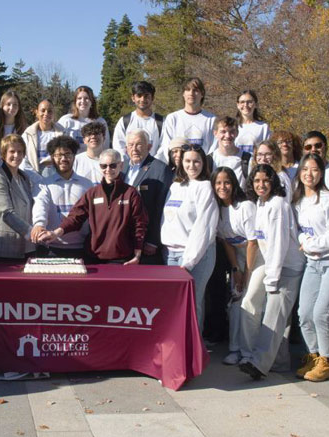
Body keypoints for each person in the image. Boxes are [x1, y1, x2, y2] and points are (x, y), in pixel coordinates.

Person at [238, 164, 305, 380]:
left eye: (265, 180)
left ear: (273, 182)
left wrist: (272, 278)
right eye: (256, 181)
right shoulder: (261, 203)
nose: (261, 185)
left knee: (273, 315)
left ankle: (258, 364)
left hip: (287, 267)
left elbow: (278, 244)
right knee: (279, 318)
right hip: (272, 264)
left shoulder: (277, 205)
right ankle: (280, 362)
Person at [293, 153, 329, 382]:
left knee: (322, 314)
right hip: (313, 262)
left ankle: (328, 360)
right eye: (305, 169)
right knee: (304, 313)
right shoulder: (298, 202)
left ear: (322, 173)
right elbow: (299, 230)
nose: (309, 174)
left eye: (315, 169)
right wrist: (304, 242)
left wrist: (311, 244)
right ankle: (314, 355)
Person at [43, 149, 148, 264]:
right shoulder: (92, 193)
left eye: (113, 165)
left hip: (122, 259)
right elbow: (75, 217)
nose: (108, 170)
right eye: (104, 166)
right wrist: (56, 233)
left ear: (121, 166)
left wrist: (137, 255)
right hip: (94, 258)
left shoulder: (130, 193)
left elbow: (139, 224)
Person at [160, 144, 218, 333]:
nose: (192, 165)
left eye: (196, 161)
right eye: (187, 161)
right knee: (174, 305)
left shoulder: (205, 187)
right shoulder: (176, 186)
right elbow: (167, 219)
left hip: (195, 256)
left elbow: (204, 227)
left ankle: (193, 351)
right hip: (171, 253)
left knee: (193, 304)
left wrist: (189, 261)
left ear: (203, 163)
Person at [211, 167, 258, 366]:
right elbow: (227, 243)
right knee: (236, 304)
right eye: (219, 183)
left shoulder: (245, 207)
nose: (223, 187)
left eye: (227, 182)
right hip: (239, 259)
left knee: (249, 304)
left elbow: (253, 243)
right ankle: (234, 349)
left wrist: (246, 274)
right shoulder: (217, 210)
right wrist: (236, 270)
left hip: (257, 258)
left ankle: (248, 353)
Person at [30, 136, 93, 258]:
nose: (63, 159)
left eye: (68, 154)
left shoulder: (87, 184)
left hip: (82, 248)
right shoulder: (44, 184)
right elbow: (41, 206)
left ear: (74, 156)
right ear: (52, 157)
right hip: (51, 249)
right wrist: (39, 224)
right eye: (58, 155)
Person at [123, 129, 173, 264]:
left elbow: (162, 207)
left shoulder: (160, 169)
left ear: (149, 147)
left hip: (147, 241)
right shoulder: (121, 168)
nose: (134, 149)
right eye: (131, 145)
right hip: (124, 240)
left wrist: (154, 240)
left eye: (139, 144)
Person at [0, 134, 36, 261]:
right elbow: (6, 213)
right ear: (3, 154)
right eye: (12, 151)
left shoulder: (24, 177)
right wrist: (31, 232)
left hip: (27, 246)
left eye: (20, 152)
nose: (17, 155)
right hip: (6, 247)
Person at [157, 77, 216, 160]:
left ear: (202, 94)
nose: (191, 93)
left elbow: (214, 148)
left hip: (203, 168)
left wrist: (204, 165)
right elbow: (167, 145)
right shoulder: (172, 118)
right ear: (183, 94)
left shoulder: (211, 119)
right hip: (178, 169)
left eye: (195, 90)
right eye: (188, 90)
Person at [112, 81, 164, 156]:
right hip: (129, 166)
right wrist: (128, 164)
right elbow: (118, 146)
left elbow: (164, 146)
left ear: (152, 98)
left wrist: (154, 165)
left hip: (154, 166)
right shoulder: (124, 121)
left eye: (146, 96)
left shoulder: (162, 122)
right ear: (133, 98)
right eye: (139, 96)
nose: (142, 99)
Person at [21, 99, 66, 176]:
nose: (46, 113)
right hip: (34, 175)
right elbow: (23, 160)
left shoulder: (62, 133)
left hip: (56, 175)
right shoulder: (28, 134)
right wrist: (35, 177)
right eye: (43, 110)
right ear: (37, 112)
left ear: (54, 113)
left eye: (50, 111)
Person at [302, 130, 329, 197]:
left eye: (318, 145)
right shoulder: (300, 175)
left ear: (326, 147)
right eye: (308, 147)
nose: (313, 149)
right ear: (303, 150)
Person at [209, 116, 250, 185]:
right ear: (215, 133)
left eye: (232, 132)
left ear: (237, 133)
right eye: (223, 132)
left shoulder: (247, 159)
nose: (227, 136)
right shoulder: (209, 160)